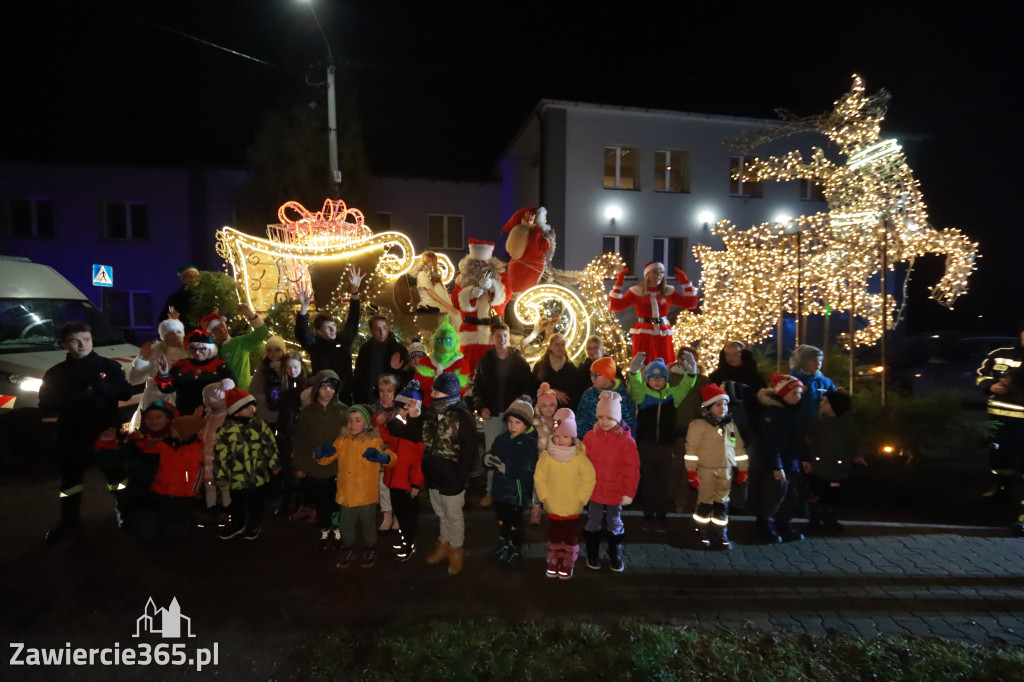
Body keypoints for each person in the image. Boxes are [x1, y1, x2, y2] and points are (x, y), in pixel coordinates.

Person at [39, 322, 134, 543]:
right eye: (75, 341)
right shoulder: (55, 373)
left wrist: (105, 389)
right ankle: (69, 520)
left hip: (105, 432)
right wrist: (68, 397)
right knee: (70, 481)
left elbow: (126, 393)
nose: (82, 345)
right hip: (71, 433)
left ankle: (126, 513)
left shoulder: (109, 367)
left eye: (86, 339)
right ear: (64, 344)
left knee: (116, 477)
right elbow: (45, 406)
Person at [385, 372, 479, 576]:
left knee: (453, 515)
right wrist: (415, 417)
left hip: (452, 478)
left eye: (437, 391)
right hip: (433, 476)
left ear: (449, 393)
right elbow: (417, 436)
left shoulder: (463, 417)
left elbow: (471, 451)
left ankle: (456, 549)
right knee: (441, 513)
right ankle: (444, 543)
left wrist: (461, 476)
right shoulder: (429, 413)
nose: (432, 393)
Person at [314, 405, 397, 568]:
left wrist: (382, 457)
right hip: (346, 495)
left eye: (358, 421)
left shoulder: (374, 441)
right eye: (350, 421)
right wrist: (320, 453)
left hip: (366, 495)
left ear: (366, 424)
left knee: (369, 525)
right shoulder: (341, 441)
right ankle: (348, 547)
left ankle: (370, 547)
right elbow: (325, 460)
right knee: (346, 526)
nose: (352, 424)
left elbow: (392, 459)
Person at [626, 355, 693, 532]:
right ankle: (648, 516)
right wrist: (634, 371)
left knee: (665, 482)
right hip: (646, 445)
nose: (657, 381)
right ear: (648, 379)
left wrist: (691, 373)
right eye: (653, 378)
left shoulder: (672, 395)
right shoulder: (643, 394)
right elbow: (634, 384)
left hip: (666, 445)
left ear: (666, 379)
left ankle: (661, 516)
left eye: (661, 377)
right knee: (648, 481)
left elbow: (686, 387)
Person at [472, 322, 537, 506]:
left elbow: (528, 387)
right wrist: (481, 406)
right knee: (493, 454)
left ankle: (520, 492)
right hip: (492, 415)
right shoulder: (485, 362)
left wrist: (520, 403)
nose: (502, 340)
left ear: (509, 338)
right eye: (498, 336)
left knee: (516, 453)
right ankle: (491, 492)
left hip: (514, 417)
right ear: (493, 338)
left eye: (505, 336)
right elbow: (477, 388)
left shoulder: (519, 362)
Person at [685, 384, 749, 550]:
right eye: (718, 404)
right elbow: (691, 449)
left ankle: (720, 533)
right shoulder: (699, 426)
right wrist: (691, 471)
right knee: (705, 502)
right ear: (708, 407)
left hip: (726, 470)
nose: (723, 408)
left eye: (725, 404)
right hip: (706, 470)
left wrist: (743, 468)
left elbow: (738, 448)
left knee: (722, 503)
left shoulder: (730, 426)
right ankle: (703, 532)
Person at [534, 408, 596, 579]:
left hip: (573, 507)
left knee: (570, 536)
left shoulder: (580, 459)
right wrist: (545, 497)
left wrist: (581, 499)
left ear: (573, 438)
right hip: (553, 506)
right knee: (554, 535)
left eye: (566, 437)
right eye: (558, 436)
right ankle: (553, 559)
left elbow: (589, 479)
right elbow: (540, 478)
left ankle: (568, 560)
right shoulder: (546, 457)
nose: (561, 440)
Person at [582, 391, 640, 573]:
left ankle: (615, 552)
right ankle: (593, 553)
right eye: (600, 417)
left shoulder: (626, 442)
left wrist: (628, 493)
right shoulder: (590, 437)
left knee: (614, 521)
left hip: (615, 492)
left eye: (609, 417)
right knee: (593, 521)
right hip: (595, 490)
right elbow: (582, 465)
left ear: (618, 417)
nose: (604, 421)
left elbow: (632, 468)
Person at [213, 383, 280, 541]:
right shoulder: (226, 430)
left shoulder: (260, 425)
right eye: (248, 407)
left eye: (253, 406)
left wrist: (274, 464)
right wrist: (220, 475)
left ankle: (254, 524)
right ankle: (237, 524)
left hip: (258, 474)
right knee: (237, 503)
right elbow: (220, 455)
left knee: (257, 503)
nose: (253, 410)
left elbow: (270, 445)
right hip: (236, 477)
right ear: (236, 411)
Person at [291, 370, 348, 550]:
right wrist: (300, 465)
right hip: (315, 467)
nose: (327, 392)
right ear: (316, 389)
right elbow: (301, 440)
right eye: (323, 387)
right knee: (322, 504)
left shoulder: (344, 410)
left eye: (331, 388)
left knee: (336, 504)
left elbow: (349, 440)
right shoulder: (307, 412)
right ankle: (325, 531)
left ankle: (337, 531)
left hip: (337, 468)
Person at [976, 326, 1024, 535]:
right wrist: (990, 386)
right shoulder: (1000, 355)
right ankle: (1000, 491)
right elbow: (982, 374)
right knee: (999, 455)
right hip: (999, 415)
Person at [482, 395, 538, 566]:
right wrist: (488, 458)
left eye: (517, 423)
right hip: (500, 491)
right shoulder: (502, 439)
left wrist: (506, 468)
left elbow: (528, 469)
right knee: (501, 518)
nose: (512, 426)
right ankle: (504, 540)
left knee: (515, 522)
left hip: (516, 492)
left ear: (526, 424)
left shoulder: (529, 443)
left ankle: (515, 546)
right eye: (510, 422)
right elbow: (492, 451)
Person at [754, 372, 809, 543]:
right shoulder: (773, 413)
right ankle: (765, 524)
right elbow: (771, 441)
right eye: (793, 393)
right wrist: (776, 466)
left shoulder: (791, 411)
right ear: (782, 393)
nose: (797, 397)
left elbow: (798, 438)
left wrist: (804, 458)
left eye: (799, 393)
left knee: (790, 494)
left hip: (790, 461)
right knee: (774, 494)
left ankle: (782, 523)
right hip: (778, 462)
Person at [295, 268, 364, 400]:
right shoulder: (315, 345)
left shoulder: (343, 340)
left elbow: (353, 321)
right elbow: (302, 334)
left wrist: (354, 292)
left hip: (344, 395)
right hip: (323, 395)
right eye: (327, 328)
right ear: (319, 331)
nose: (332, 329)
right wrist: (304, 309)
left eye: (333, 325)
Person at [608, 260, 697, 360]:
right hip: (643, 333)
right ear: (647, 274)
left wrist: (686, 283)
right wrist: (619, 284)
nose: (659, 275)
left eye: (661, 272)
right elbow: (615, 306)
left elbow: (690, 304)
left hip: (663, 333)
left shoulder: (668, 291)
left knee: (665, 362)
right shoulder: (637, 291)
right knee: (643, 363)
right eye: (655, 271)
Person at [378, 380, 425, 561]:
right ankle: (405, 539)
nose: (402, 413)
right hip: (394, 480)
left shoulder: (415, 433)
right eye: (400, 409)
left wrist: (415, 484)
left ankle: (409, 543)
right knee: (400, 512)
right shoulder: (396, 427)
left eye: (406, 409)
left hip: (406, 484)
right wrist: (381, 423)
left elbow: (419, 462)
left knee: (408, 517)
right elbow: (386, 437)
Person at [806, 390, 864, 533]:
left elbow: (854, 440)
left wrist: (857, 455)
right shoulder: (816, 419)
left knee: (833, 495)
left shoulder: (847, 422)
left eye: (826, 401)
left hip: (838, 468)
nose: (821, 403)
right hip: (818, 467)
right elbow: (807, 438)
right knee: (817, 494)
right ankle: (815, 518)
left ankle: (830, 518)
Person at [452, 239, 509, 375]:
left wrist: (492, 286)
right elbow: (455, 301)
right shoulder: (462, 279)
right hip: (470, 332)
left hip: (493, 332)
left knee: (494, 369)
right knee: (469, 369)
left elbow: (506, 296)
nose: (479, 264)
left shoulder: (500, 277)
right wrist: (470, 294)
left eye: (482, 262)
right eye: (475, 261)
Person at [154, 329, 231, 417]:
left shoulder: (221, 366)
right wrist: (164, 374)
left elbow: (232, 391)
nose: (197, 352)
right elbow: (167, 389)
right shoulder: (180, 366)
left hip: (213, 415)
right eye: (193, 348)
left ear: (210, 349)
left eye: (202, 348)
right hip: (185, 414)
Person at [127, 318, 187, 429]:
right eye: (170, 333)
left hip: (179, 401)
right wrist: (140, 362)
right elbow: (134, 380)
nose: (175, 335)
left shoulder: (189, 352)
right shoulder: (154, 352)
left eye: (178, 332)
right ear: (163, 335)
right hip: (154, 401)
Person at [201, 304, 270, 392]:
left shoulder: (240, 342)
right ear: (211, 334)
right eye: (217, 329)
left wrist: (250, 315)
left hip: (244, 394)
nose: (222, 330)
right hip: (221, 398)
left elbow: (262, 332)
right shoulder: (210, 351)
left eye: (222, 326)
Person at [352, 314, 411, 405]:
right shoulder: (365, 349)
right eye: (377, 328)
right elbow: (359, 376)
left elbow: (407, 378)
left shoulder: (398, 349)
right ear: (371, 330)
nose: (382, 332)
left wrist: (396, 370)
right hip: (369, 398)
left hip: (391, 401)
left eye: (384, 328)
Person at [370, 374, 403, 532]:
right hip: (380, 453)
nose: (385, 394)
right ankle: (387, 515)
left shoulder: (400, 407)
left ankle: (398, 515)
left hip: (397, 453)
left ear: (395, 391)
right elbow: (370, 430)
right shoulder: (374, 407)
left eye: (389, 390)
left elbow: (402, 429)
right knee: (383, 486)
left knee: (397, 486)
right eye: (382, 390)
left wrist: (390, 412)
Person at [577, 356, 637, 437]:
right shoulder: (588, 395)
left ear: (607, 375)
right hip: (591, 444)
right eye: (591, 375)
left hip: (616, 445)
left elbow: (630, 425)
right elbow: (580, 423)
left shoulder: (624, 396)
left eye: (596, 375)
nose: (592, 378)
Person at [532, 334, 583, 411]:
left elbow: (576, 394)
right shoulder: (539, 366)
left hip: (565, 412)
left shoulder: (572, 369)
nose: (560, 348)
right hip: (543, 413)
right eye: (557, 344)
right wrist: (552, 392)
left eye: (563, 345)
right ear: (550, 346)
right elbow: (533, 387)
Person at [789, 344, 837, 424]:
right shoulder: (791, 381)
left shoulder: (826, 382)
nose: (818, 364)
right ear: (803, 362)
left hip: (820, 426)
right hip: (797, 425)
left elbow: (834, 403)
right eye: (814, 360)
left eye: (820, 360)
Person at [415, 251, 459, 318]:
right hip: (430, 304)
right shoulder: (422, 275)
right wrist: (447, 305)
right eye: (428, 261)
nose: (430, 264)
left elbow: (440, 292)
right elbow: (431, 293)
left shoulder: (434, 276)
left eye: (432, 261)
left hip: (439, 303)